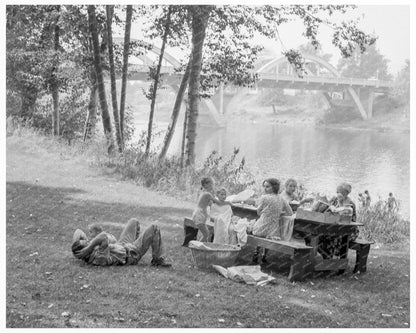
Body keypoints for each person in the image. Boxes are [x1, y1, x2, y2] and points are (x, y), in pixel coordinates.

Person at [72, 218, 171, 267]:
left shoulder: (88, 251)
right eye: (85, 242)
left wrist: (79, 252)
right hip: (131, 253)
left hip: (121, 245)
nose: (88, 241)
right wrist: (88, 247)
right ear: (86, 251)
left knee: (134, 221)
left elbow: (78, 231)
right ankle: (157, 260)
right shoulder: (98, 257)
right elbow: (103, 236)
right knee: (154, 228)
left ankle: (137, 243)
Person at [244, 178, 293, 263]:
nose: (265, 189)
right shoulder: (282, 199)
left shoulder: (264, 197)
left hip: (260, 228)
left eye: (267, 187)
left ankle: (256, 252)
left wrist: (268, 212)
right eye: (264, 187)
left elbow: (258, 212)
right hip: (274, 232)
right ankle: (264, 256)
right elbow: (290, 212)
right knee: (267, 232)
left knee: (251, 225)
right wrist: (278, 213)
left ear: (274, 187)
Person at [319, 183, 358, 259]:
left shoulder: (350, 204)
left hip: (349, 230)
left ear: (344, 193)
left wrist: (340, 205)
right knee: (322, 235)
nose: (337, 194)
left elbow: (352, 220)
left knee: (336, 237)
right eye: (337, 192)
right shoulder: (334, 200)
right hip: (334, 227)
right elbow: (326, 211)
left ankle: (338, 263)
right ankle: (326, 259)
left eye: (338, 192)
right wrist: (329, 207)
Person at [191, 177, 231, 242]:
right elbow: (219, 203)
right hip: (199, 215)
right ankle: (199, 247)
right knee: (206, 234)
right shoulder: (207, 194)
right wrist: (228, 203)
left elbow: (210, 203)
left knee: (206, 234)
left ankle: (202, 247)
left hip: (200, 214)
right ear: (206, 185)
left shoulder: (204, 192)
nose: (213, 186)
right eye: (212, 184)